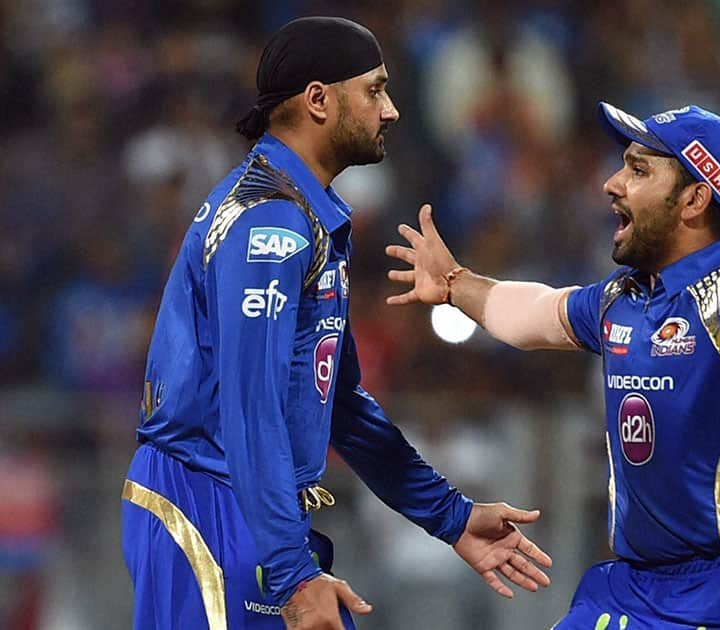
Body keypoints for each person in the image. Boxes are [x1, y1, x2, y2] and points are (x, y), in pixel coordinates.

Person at [121, 16, 551, 630]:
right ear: (318, 100)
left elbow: (340, 404)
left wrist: (449, 516)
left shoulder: (307, 218)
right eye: (374, 90)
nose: (393, 110)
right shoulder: (268, 225)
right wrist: (294, 572)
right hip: (206, 505)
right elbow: (251, 406)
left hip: (253, 510)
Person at [387, 103, 720, 628]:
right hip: (638, 590)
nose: (611, 183)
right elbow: (533, 313)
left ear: (694, 198)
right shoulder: (621, 298)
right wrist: (454, 284)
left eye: (639, 169)